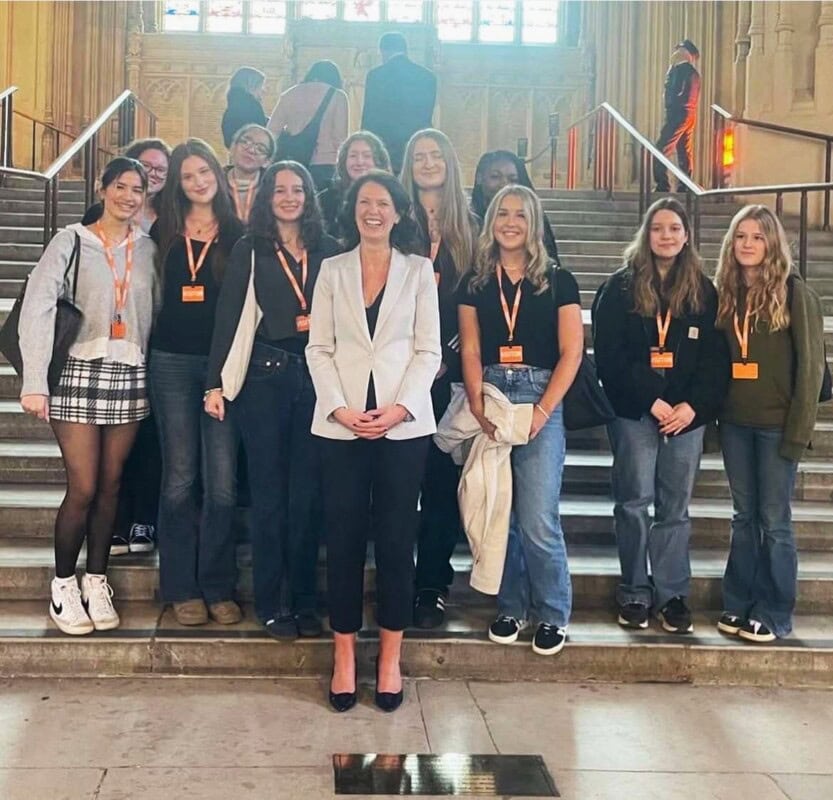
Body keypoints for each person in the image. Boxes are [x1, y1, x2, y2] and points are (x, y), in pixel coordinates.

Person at [306, 170, 440, 712]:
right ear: (353, 210)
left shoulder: (419, 271)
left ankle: (389, 658)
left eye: (383, 203)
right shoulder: (332, 270)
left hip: (402, 425)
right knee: (341, 539)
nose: (374, 211)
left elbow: (428, 350)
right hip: (339, 424)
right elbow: (318, 347)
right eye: (365, 202)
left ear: (399, 212)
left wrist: (400, 407)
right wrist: (339, 406)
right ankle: (343, 657)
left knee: (393, 540)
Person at [18, 157, 158, 635]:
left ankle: (96, 579)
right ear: (102, 189)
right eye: (120, 186)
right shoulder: (71, 241)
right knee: (83, 486)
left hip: (129, 374)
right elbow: (37, 307)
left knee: (112, 484)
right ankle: (62, 584)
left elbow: (152, 311)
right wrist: (35, 380)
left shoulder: (150, 249)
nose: (129, 197)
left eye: (137, 189)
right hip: (78, 370)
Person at [204, 162, 340, 639]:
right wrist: (214, 382)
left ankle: (305, 601)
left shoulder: (329, 250)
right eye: (279, 189)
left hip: (319, 380)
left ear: (309, 196)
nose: (289, 197)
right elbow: (230, 316)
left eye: (297, 189)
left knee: (307, 497)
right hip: (265, 377)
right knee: (268, 497)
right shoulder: (251, 248)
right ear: (266, 197)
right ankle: (273, 603)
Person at [593, 197, 729, 634]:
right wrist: (652, 400)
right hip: (636, 413)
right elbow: (609, 358)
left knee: (675, 508)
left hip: (686, 417)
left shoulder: (704, 291)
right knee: (633, 503)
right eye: (658, 228)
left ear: (687, 235)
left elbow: (716, 361)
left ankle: (672, 594)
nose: (666, 236)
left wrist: (691, 407)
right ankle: (634, 590)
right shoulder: (619, 287)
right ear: (646, 234)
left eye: (674, 228)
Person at [457, 184, 583, 656]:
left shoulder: (558, 280)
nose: (511, 222)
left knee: (537, 516)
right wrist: (475, 403)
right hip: (491, 391)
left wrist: (544, 411)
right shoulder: (474, 281)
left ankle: (553, 611)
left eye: (521, 215)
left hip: (539, 394)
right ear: (491, 221)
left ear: (533, 225)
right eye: (503, 213)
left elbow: (572, 352)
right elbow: (470, 346)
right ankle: (511, 605)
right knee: (498, 509)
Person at [714, 205, 824, 642]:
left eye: (757, 237)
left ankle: (775, 610)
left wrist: (799, 432)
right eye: (740, 236)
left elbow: (812, 369)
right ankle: (738, 601)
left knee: (774, 519)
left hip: (778, 426)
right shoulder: (725, 292)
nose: (747, 244)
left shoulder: (796, 293)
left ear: (772, 243)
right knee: (744, 516)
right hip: (735, 425)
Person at [150, 138, 245, 627]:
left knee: (223, 483)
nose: (198, 182)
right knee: (181, 477)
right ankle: (182, 587)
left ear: (217, 174)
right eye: (187, 176)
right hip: (169, 362)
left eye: (204, 172)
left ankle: (217, 584)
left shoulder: (237, 233)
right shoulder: (162, 229)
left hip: (222, 368)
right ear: (177, 184)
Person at [400, 128, 478, 628]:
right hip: (397, 373)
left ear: (450, 162)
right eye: (418, 157)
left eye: (436, 155)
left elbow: (481, 302)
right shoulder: (394, 222)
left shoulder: (470, 228)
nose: (428, 163)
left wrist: (448, 352)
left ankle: (431, 584)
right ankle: (393, 576)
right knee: (398, 485)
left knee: (441, 481)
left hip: (448, 375)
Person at [79, 139, 171, 556]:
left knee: (146, 441)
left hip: (145, 348)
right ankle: (110, 524)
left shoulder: (168, 223)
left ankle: (141, 522)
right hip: (97, 353)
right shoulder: (88, 228)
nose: (152, 174)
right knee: (103, 457)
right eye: (145, 167)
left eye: (159, 170)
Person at [360, 32, 437, 174]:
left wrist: (366, 146)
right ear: (405, 50)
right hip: (416, 145)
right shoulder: (428, 76)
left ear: (383, 51)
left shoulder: (376, 75)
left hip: (385, 146)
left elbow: (369, 115)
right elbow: (427, 116)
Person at [267, 60, 349, 189]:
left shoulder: (289, 93)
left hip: (293, 160)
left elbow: (272, 131)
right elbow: (340, 137)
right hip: (325, 161)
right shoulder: (338, 96)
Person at [471, 149, 560, 263]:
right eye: (495, 176)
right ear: (479, 178)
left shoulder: (536, 219)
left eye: (512, 179)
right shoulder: (467, 221)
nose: (504, 184)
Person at [81, 138, 171, 234]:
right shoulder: (97, 213)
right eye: (145, 165)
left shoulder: (172, 216)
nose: (153, 173)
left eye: (161, 170)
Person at [317, 131, 392, 239]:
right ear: (344, 161)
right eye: (353, 156)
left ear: (378, 161)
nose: (359, 162)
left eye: (367, 156)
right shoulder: (326, 199)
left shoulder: (392, 196)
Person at [654, 39, 701, 193]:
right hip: (688, 115)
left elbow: (675, 91)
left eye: (679, 49)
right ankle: (684, 186)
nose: (675, 52)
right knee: (683, 151)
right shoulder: (692, 72)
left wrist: (671, 70)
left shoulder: (681, 70)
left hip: (678, 114)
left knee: (661, 149)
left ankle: (663, 185)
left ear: (685, 53)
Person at [224, 124, 275, 224]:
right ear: (233, 147)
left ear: (267, 162)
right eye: (246, 142)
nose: (251, 150)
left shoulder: (273, 188)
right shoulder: (214, 182)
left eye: (260, 148)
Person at [222, 66, 268, 149]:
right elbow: (261, 134)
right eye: (260, 86)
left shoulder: (233, 107)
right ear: (250, 86)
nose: (264, 90)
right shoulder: (252, 106)